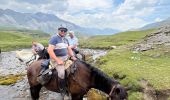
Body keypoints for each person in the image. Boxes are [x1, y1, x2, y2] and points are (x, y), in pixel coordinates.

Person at [47, 26, 76, 95]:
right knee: (61, 73)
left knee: (75, 68)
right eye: (61, 30)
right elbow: (50, 50)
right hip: (56, 59)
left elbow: (69, 49)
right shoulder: (54, 38)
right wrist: (57, 60)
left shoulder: (66, 39)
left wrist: (72, 56)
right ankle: (62, 90)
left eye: (65, 31)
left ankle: (70, 83)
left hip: (66, 58)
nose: (63, 32)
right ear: (58, 30)